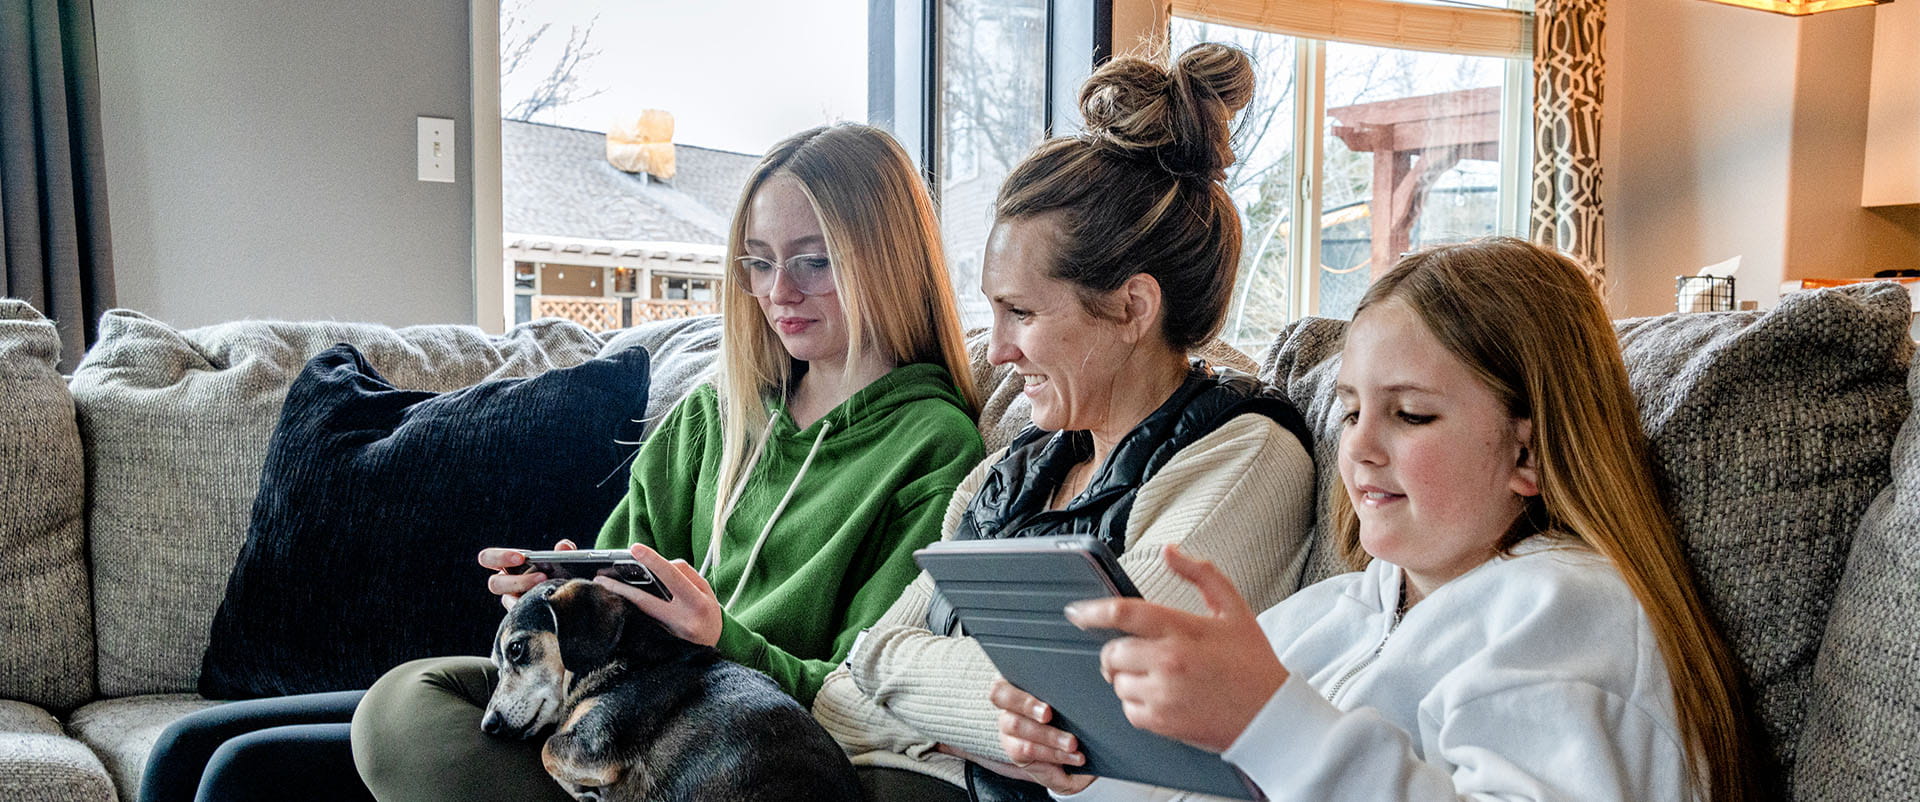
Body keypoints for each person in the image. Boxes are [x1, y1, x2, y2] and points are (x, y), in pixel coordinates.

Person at [137, 123, 985, 802]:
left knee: (288, 758)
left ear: (887, 259)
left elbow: (863, 687)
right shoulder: (715, 416)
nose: (778, 294)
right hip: (602, 698)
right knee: (189, 748)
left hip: (706, 743)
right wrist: (559, 586)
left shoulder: (932, 447)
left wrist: (718, 631)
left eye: (813, 261)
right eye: (759, 264)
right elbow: (615, 577)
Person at [992, 237, 1760, 802]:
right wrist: (1087, 761)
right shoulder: (1333, 613)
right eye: (1352, 410)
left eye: (1412, 415)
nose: (1357, 446)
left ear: (1529, 453)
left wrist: (1273, 722)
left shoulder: (1565, 611)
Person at [810, 43, 1316, 802]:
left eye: (1021, 311)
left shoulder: (1247, 457)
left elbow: (1111, 702)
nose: (999, 347)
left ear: (1132, 309)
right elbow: (849, 682)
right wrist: (988, 727)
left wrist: (920, 696)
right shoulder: (1004, 475)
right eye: (993, 309)